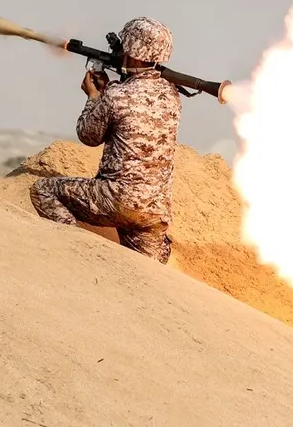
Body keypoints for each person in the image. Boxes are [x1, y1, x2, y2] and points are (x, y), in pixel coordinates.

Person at [30, 17, 182, 264]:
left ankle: (76, 253)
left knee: (43, 190)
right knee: (147, 271)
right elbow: (138, 109)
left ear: (134, 55)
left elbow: (88, 135)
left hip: (117, 199)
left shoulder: (116, 95)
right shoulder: (172, 95)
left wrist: (93, 96)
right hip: (155, 211)